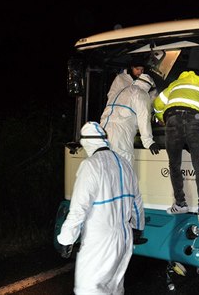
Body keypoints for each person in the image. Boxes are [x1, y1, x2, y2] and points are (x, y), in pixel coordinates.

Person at [57, 121, 145, 295]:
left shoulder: (91, 166)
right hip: (124, 238)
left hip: (101, 240)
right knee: (114, 288)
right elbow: (137, 201)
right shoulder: (124, 164)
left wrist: (67, 238)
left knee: (89, 289)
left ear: (87, 143)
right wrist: (138, 227)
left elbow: (78, 209)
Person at [153, 71, 199, 223]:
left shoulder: (175, 84)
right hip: (196, 121)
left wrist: (160, 117)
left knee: (174, 164)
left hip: (173, 120)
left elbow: (157, 104)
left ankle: (180, 203)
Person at [100, 73, 160, 166]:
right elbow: (143, 119)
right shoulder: (141, 93)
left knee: (104, 168)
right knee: (124, 168)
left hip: (102, 131)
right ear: (149, 87)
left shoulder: (121, 90)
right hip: (120, 134)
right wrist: (149, 142)